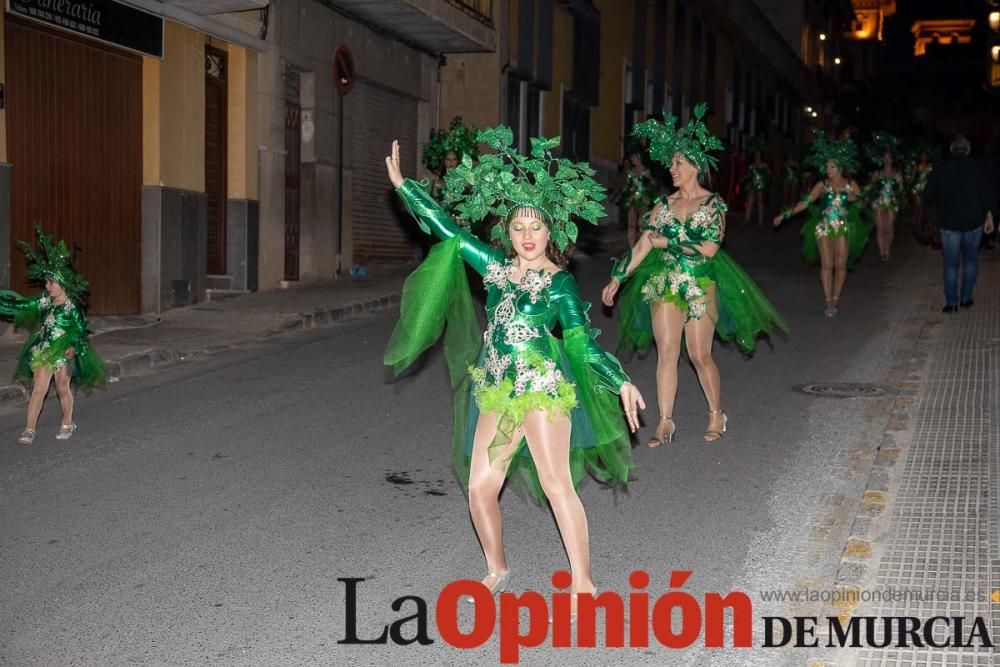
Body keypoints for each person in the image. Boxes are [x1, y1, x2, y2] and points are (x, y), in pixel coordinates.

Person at [384, 128, 645, 615]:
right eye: (518, 227)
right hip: (499, 388)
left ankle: (583, 582)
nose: (527, 237)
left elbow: (582, 344)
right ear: (507, 232)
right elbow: (449, 232)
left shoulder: (559, 284)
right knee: (480, 487)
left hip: (543, 389)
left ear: (552, 232)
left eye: (536, 227)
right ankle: (497, 567)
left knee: (556, 486)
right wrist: (406, 189)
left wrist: (621, 379)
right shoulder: (497, 270)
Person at [601, 104, 786, 447]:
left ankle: (717, 413)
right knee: (667, 351)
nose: (671, 169)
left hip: (701, 283)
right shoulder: (663, 205)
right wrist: (618, 277)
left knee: (699, 353)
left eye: (678, 163)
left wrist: (668, 239)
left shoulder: (714, 204)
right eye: (671, 163)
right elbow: (643, 244)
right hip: (665, 282)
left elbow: (710, 249)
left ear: (695, 166)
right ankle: (665, 422)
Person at [0, 224, 106, 445]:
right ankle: (29, 429)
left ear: (61, 284)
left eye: (50, 282)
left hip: (63, 351)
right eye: (46, 282)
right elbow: (24, 304)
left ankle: (68, 422)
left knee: (61, 388)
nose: (46, 286)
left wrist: (73, 346)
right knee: (38, 389)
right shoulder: (45, 300)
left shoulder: (71, 308)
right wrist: (5, 301)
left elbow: (79, 330)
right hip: (45, 349)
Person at [775, 130, 871, 317]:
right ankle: (828, 302)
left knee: (840, 265)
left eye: (832, 167)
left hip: (843, 227)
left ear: (841, 168)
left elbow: (863, 204)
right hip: (823, 228)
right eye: (827, 167)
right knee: (827, 265)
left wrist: (855, 199)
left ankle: (836, 297)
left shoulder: (851, 185)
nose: (828, 170)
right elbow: (805, 203)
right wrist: (785, 215)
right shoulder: (822, 185)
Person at [923, 135, 996, 312]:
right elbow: (987, 195)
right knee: (971, 260)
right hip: (974, 223)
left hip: (949, 225)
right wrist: (990, 215)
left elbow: (928, 197)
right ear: (968, 149)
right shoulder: (978, 168)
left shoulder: (940, 169)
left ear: (951, 149)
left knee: (950, 263)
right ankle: (967, 298)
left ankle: (951, 303)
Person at [866, 133, 904, 262]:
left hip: (892, 202)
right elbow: (870, 186)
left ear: (892, 159)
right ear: (882, 159)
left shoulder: (897, 174)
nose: (887, 160)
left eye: (889, 157)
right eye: (885, 157)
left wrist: (900, 195)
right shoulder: (877, 173)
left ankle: (888, 249)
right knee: (880, 228)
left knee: (889, 227)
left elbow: (901, 189)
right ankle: (882, 252)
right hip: (878, 202)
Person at [617, 148, 657, 247]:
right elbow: (627, 185)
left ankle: (641, 244)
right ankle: (632, 249)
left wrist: (650, 179)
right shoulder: (631, 171)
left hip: (643, 199)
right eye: (631, 158)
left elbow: (654, 184)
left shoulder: (646, 170)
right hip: (632, 199)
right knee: (631, 224)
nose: (631, 160)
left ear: (639, 158)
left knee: (641, 224)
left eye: (633, 157)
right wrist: (621, 194)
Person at [743, 137, 770, 228]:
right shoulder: (752, 165)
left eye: (758, 154)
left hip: (760, 184)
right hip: (752, 184)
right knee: (750, 200)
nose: (757, 155)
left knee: (759, 201)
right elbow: (749, 175)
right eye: (756, 154)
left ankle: (760, 221)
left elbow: (769, 174)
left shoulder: (764, 165)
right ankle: (746, 220)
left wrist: (765, 179)